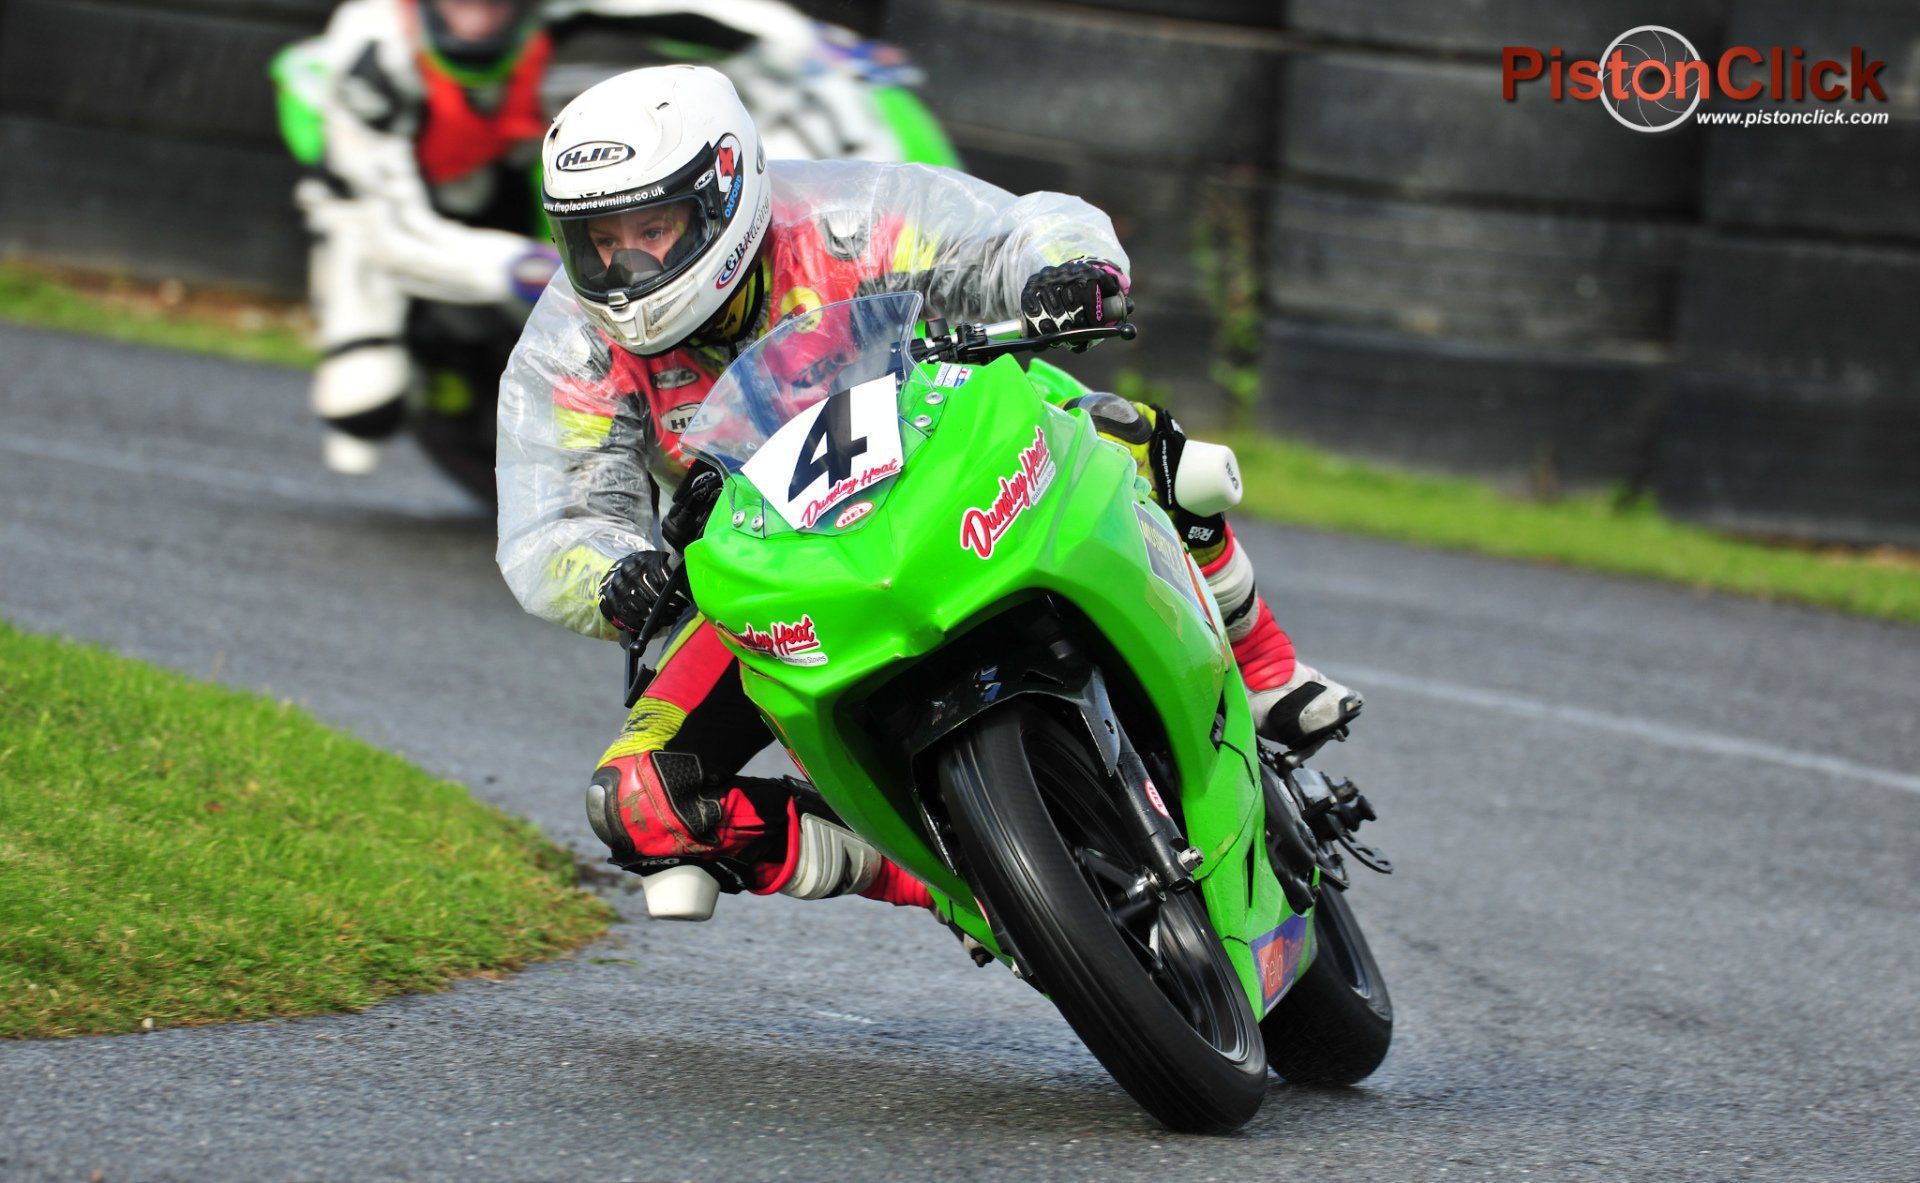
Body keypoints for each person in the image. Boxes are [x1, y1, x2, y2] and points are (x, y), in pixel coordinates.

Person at [496, 65, 1363, 912]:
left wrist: (1068, 271)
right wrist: (616, 574)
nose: (624, 263)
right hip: (771, 570)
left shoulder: (843, 222)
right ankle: (963, 885)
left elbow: (1020, 230)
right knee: (640, 801)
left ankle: (1264, 669)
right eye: (599, 240)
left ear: (724, 189)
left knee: (1132, 437)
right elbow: (553, 521)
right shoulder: (576, 344)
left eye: (651, 227)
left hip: (951, 455)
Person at [296, 0, 561, 475]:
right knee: (362, 400)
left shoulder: (559, 22)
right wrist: (529, 268)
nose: (479, 11)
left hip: (491, 170)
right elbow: (394, 236)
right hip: (373, 196)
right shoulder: (375, 50)